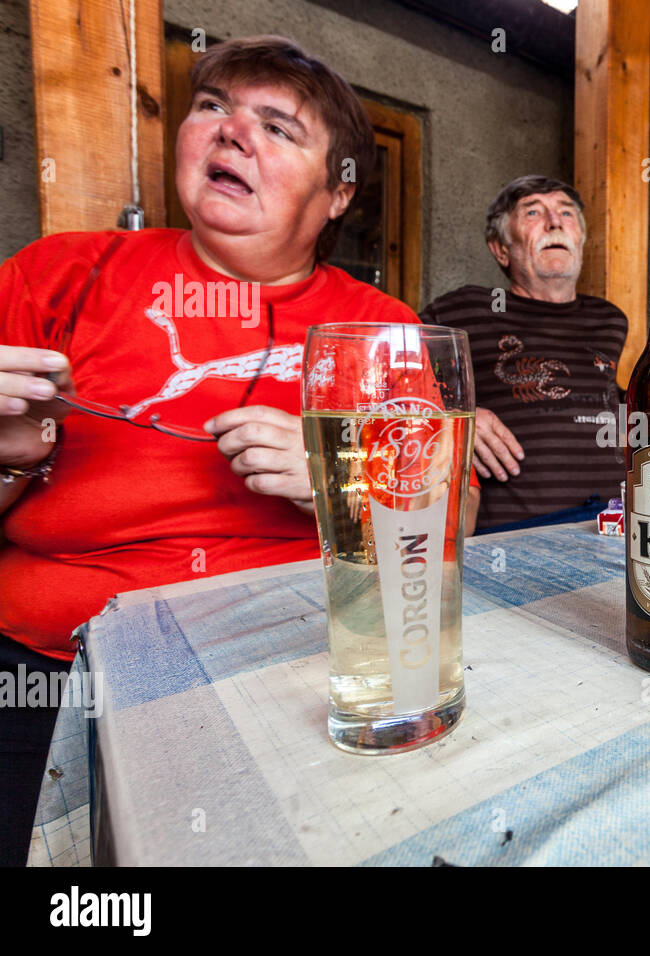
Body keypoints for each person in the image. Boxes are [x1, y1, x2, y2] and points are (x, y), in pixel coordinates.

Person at [0, 36, 473, 866]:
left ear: (337, 194)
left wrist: (347, 481)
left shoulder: (387, 328)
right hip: (45, 663)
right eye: (213, 107)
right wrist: (10, 458)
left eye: (278, 127)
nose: (231, 133)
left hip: (299, 661)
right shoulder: (59, 274)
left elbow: (457, 519)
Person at [420, 175, 627, 533]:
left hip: (612, 523)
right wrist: (453, 416)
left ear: (579, 239)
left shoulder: (609, 319)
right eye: (533, 212)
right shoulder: (462, 311)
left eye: (566, 213)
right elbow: (391, 381)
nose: (554, 222)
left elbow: (609, 398)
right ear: (501, 248)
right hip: (515, 534)